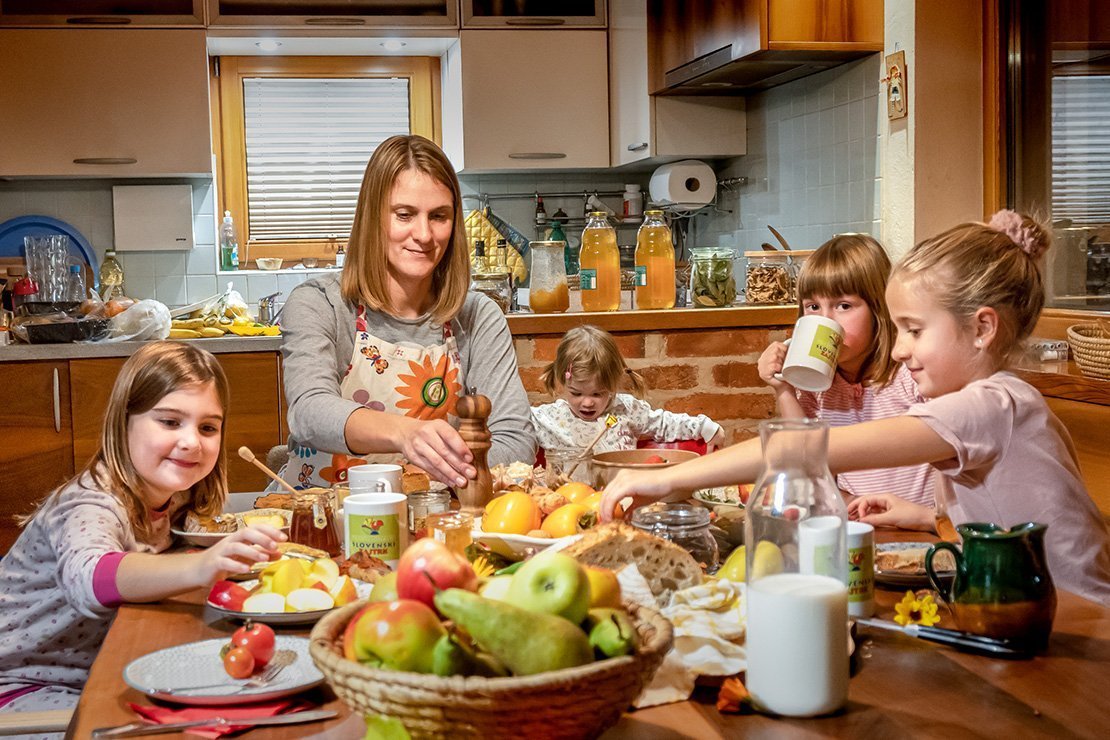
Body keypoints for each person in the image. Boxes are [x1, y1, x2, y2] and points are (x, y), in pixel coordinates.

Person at [600, 211, 1110, 604]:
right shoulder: (980, 404)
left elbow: (805, 450)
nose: (902, 347)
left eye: (914, 330)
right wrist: (925, 514)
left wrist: (670, 478)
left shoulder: (991, 406)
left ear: (982, 328)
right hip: (1026, 606)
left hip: (1083, 622)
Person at [0, 341, 285, 720]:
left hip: (106, 667)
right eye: (169, 422)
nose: (190, 441)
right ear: (124, 422)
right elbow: (92, 577)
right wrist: (202, 565)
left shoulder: (176, 498)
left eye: (208, 427)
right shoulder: (90, 502)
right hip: (23, 690)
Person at [279, 135, 534, 490]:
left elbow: (515, 440)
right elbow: (309, 412)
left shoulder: (478, 317)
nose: (424, 234)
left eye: (439, 216)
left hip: (437, 520)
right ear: (373, 218)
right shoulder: (320, 303)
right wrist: (406, 435)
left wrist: (419, 475)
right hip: (322, 523)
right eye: (404, 215)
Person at [757, 234, 937, 507]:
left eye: (843, 306)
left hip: (920, 527)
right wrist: (783, 387)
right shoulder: (818, 386)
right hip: (859, 524)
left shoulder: (910, 375)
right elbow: (806, 462)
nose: (826, 320)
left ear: (879, 309)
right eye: (813, 307)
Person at [531, 325, 724, 456]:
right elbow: (512, 424)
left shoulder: (626, 409)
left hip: (622, 501)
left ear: (614, 384)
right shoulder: (548, 418)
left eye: (598, 393)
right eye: (576, 393)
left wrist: (704, 428)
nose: (587, 402)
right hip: (568, 506)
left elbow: (664, 424)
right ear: (562, 383)